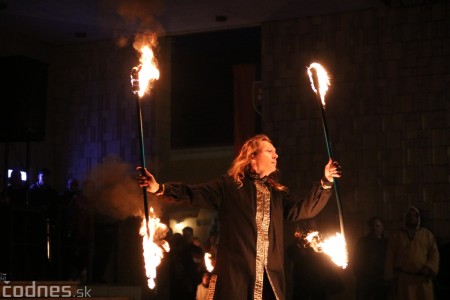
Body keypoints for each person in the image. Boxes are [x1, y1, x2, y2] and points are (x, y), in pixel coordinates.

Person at [137, 134, 342, 300]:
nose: (276, 155)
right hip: (237, 281)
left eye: (276, 152)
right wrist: (159, 188)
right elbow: (193, 193)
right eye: (269, 151)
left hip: (270, 282)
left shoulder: (277, 194)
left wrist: (325, 182)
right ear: (252, 156)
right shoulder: (229, 186)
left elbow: (303, 209)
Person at [384, 206, 440, 300]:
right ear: (405, 217)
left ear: (418, 218)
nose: (411, 218)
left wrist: (429, 267)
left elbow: (434, 254)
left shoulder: (427, 235)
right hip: (404, 280)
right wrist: (389, 276)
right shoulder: (397, 236)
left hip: (422, 279)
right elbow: (390, 256)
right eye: (409, 215)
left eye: (414, 215)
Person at [353, 216, 389, 300]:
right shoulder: (362, 242)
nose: (375, 228)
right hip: (365, 278)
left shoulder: (387, 243)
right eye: (373, 226)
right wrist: (358, 273)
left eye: (377, 226)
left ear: (382, 227)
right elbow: (357, 258)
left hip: (381, 278)